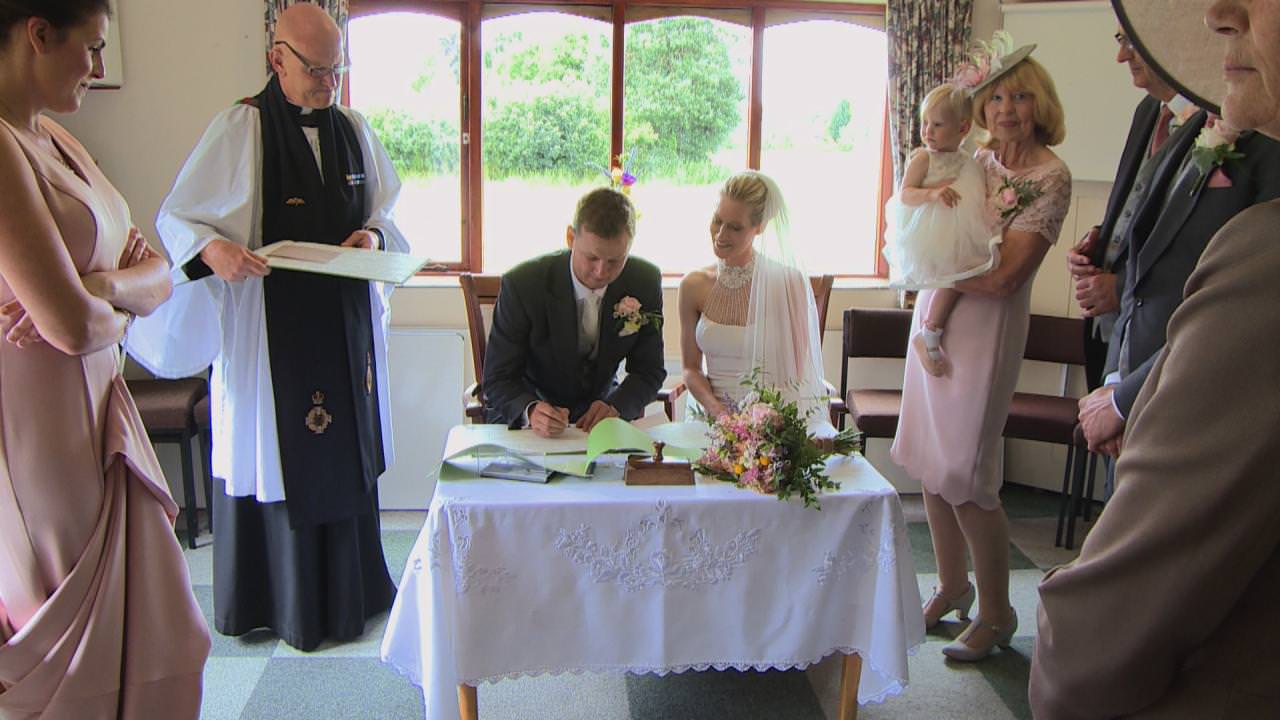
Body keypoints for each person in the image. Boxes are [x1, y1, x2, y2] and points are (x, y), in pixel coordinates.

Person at [1032, 1, 1280, 715]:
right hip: (1140, 360)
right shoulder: (1173, 121)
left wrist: (1066, 629)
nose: (1216, 13)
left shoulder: (1262, 251)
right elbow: (1149, 238)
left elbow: (1094, 653)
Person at [142, 3, 406, 651]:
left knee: (346, 446)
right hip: (268, 324)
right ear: (276, 59)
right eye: (316, 69)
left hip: (343, 327)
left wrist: (371, 234)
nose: (329, 83)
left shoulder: (354, 128)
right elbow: (179, 218)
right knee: (280, 450)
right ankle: (282, 605)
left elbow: (387, 215)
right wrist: (214, 252)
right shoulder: (241, 127)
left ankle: (356, 596)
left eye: (337, 67)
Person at [0, 0, 210, 715]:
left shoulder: (57, 138)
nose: (95, 67)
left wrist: (103, 290)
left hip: (99, 406)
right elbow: (63, 327)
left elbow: (157, 270)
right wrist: (103, 306)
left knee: (167, 631)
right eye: (89, 48)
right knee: (76, 654)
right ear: (37, 35)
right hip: (43, 430)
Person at [889, 43, 1072, 662]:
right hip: (936, 316)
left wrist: (934, 269)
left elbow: (1003, 278)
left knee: (967, 477)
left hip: (986, 326)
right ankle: (952, 585)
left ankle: (997, 613)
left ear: (1040, 103)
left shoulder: (1050, 176)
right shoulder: (976, 157)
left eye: (1019, 95)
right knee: (931, 468)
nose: (1006, 108)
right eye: (995, 96)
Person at [1077, 113, 1280, 457]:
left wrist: (1125, 400)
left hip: (1204, 405)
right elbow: (1138, 271)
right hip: (1131, 384)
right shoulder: (1189, 129)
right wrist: (1115, 383)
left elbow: (1240, 307)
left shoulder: (1270, 145)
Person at [1066, 29, 1200, 391]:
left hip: (1161, 334)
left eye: (1132, 42)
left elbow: (1204, 238)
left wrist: (1122, 286)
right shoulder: (1148, 111)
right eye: (1119, 41)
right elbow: (1140, 201)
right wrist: (1102, 240)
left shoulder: (1221, 123)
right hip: (1110, 327)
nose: (1121, 57)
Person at [483, 187, 665, 437]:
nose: (601, 271)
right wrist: (532, 410)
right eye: (592, 258)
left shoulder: (644, 281)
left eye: (615, 261)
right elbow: (497, 377)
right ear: (570, 238)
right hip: (532, 418)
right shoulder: (524, 284)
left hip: (599, 420)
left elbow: (649, 370)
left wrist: (616, 406)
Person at [678, 170, 829, 426]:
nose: (720, 234)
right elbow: (691, 368)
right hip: (712, 419)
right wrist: (718, 412)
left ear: (759, 227)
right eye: (717, 220)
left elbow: (797, 373)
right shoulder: (693, 285)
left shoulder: (788, 283)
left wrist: (762, 422)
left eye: (735, 227)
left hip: (773, 421)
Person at [882, 83, 999, 377]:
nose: (927, 131)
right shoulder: (924, 157)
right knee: (951, 278)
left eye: (937, 124)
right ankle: (930, 330)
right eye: (925, 123)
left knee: (963, 274)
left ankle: (932, 329)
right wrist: (932, 194)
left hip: (957, 229)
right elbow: (905, 194)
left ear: (963, 128)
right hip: (931, 230)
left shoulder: (968, 161)